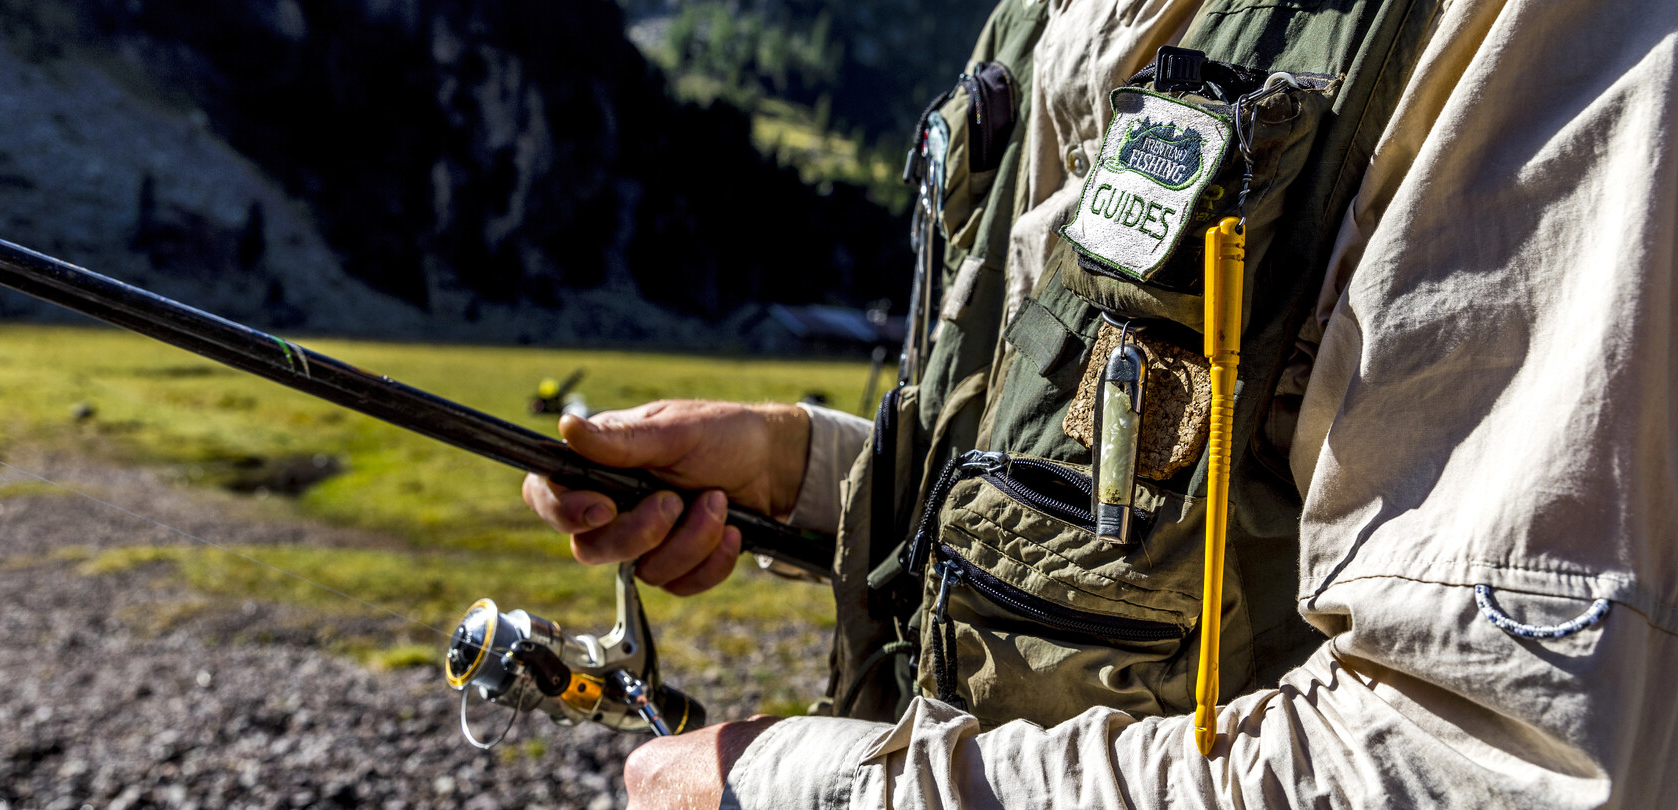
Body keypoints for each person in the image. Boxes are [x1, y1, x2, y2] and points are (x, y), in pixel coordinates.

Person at [523, 0, 1678, 805]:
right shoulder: (1054, 19)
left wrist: (800, 791)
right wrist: (806, 476)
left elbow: (1496, 769)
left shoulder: (1545, 28)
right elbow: (1133, 477)